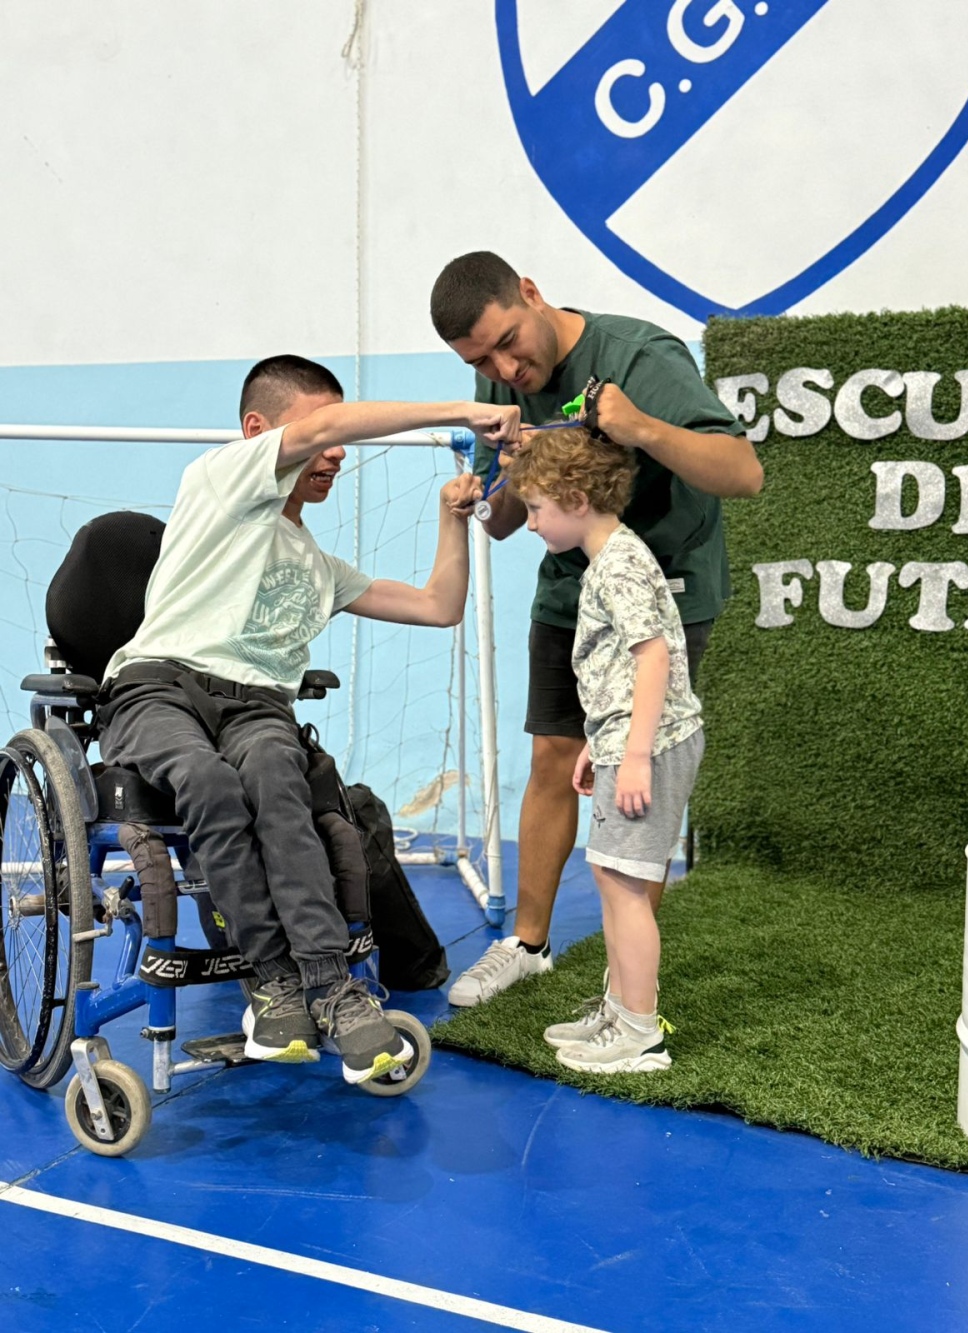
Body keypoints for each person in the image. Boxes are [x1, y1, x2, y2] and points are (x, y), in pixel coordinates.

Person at [99, 354, 517, 1077]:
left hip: (258, 707)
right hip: (159, 688)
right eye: (319, 436)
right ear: (258, 432)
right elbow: (324, 428)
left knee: (277, 773)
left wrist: (454, 517)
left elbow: (439, 606)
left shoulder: (318, 566)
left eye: (338, 442)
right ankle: (273, 982)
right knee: (207, 779)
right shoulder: (218, 480)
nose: (336, 454)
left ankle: (331, 988)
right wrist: (459, 410)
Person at [429, 251, 761, 1007]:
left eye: (509, 343)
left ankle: (628, 988)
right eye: (481, 360)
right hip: (572, 593)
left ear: (533, 293)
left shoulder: (640, 356)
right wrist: (504, 472)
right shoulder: (497, 381)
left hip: (663, 592)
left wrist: (641, 427)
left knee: (635, 787)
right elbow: (507, 522)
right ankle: (527, 943)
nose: (505, 368)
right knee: (555, 754)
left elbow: (743, 472)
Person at [506, 424, 704, 1071]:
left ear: (574, 496)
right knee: (613, 873)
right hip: (625, 737)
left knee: (624, 882)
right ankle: (621, 1009)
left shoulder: (618, 561)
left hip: (650, 742)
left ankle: (638, 1027)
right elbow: (622, 664)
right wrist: (601, 742)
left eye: (536, 508)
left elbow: (653, 659)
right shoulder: (611, 557)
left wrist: (637, 753)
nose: (531, 524)